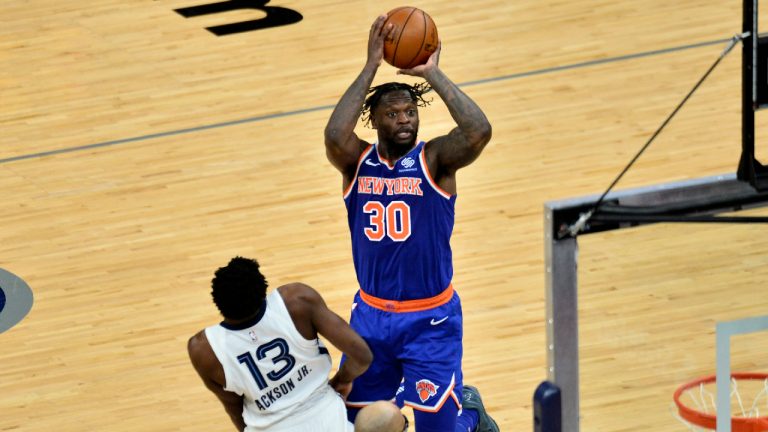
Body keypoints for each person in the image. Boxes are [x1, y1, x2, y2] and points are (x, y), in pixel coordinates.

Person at [323, 14, 498, 432]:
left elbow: (478, 130)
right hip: (370, 317)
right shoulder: (356, 162)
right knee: (358, 423)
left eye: (410, 111)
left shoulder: (434, 160)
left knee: (436, 428)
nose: (404, 119)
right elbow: (333, 135)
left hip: (430, 320)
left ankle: (470, 415)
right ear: (376, 121)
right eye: (393, 114)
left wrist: (432, 73)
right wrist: (370, 66)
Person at [187, 256, 373, 431]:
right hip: (328, 417)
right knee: (386, 417)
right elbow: (362, 355)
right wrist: (342, 380)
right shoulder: (297, 301)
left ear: (217, 301)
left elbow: (235, 410)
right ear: (262, 289)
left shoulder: (203, 350)